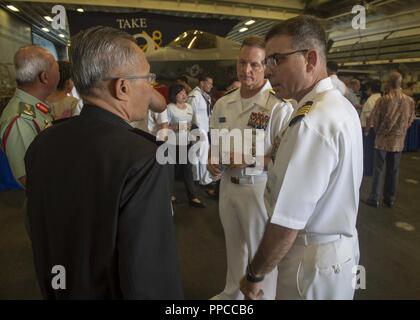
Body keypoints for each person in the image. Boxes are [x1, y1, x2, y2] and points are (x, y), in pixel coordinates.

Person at [24, 26, 183, 299]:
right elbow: (148, 275)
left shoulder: (43, 143)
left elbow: (38, 228)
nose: (151, 87)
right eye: (148, 78)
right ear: (122, 87)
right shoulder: (143, 158)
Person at [240, 15, 363, 300]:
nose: (268, 71)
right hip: (337, 252)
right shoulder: (337, 107)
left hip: (309, 261)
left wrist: (254, 276)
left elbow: (286, 225)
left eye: (277, 60)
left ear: (310, 59)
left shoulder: (310, 123)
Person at [208, 36, 293, 300]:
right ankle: (232, 293)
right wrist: (212, 160)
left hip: (259, 190)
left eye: (255, 65)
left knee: (260, 254)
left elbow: (286, 160)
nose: (247, 70)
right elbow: (215, 143)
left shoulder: (278, 108)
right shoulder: (223, 103)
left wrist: (250, 159)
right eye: (242, 62)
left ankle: (262, 297)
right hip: (227, 188)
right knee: (234, 248)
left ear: (266, 66)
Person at [0, 45, 58, 187]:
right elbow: (28, 179)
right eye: (58, 70)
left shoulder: (34, 109)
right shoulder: (21, 120)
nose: (60, 75)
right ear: (45, 77)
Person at [364, 72, 416, 208]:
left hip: (382, 140)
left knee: (378, 169)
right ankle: (389, 199)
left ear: (389, 83)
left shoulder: (384, 100)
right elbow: (411, 120)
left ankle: (374, 198)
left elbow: (374, 119)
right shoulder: (410, 101)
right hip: (398, 141)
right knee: (393, 170)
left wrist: (377, 131)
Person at [167, 83, 206, 208]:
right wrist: (181, 126)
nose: (184, 95)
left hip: (186, 143)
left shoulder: (189, 107)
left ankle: (193, 197)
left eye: (185, 92)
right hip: (173, 143)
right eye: (181, 93)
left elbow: (193, 124)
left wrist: (195, 133)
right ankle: (169, 195)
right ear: (174, 95)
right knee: (171, 171)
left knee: (187, 170)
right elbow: (165, 127)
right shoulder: (170, 108)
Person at [188, 74, 214, 188]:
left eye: (212, 84)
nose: (211, 86)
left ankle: (197, 177)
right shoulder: (194, 95)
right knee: (202, 154)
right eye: (209, 83)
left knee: (199, 155)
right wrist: (194, 130)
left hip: (205, 128)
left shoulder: (204, 95)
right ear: (202, 83)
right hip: (198, 129)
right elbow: (190, 113)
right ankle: (204, 179)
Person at [360, 79, 382, 176]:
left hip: (369, 128)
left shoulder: (370, 100)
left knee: (367, 150)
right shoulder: (381, 98)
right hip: (378, 128)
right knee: (374, 151)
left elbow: (369, 117)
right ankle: (373, 170)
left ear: (370, 89)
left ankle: (367, 171)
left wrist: (367, 130)